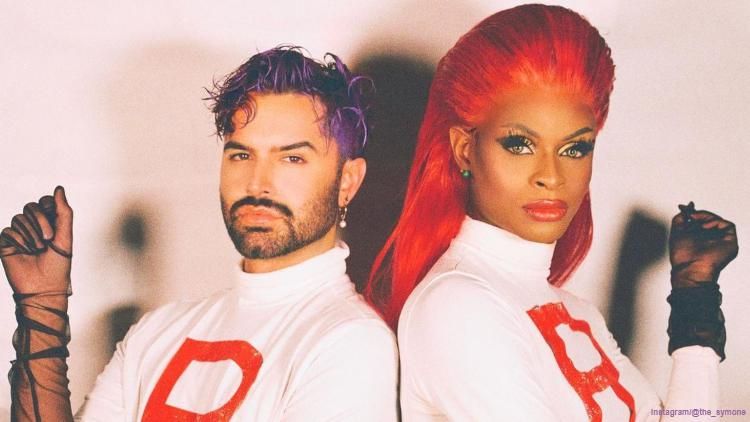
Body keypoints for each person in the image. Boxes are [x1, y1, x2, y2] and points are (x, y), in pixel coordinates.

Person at [365, 5, 738, 421]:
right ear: (464, 149)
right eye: (520, 145)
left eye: (574, 148)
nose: (551, 176)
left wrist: (695, 295)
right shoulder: (456, 307)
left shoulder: (577, 312)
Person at [1, 46, 399, 421]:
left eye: (292, 158)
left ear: (348, 181)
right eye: (241, 154)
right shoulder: (159, 331)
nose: (258, 183)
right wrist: (42, 310)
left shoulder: (350, 343)